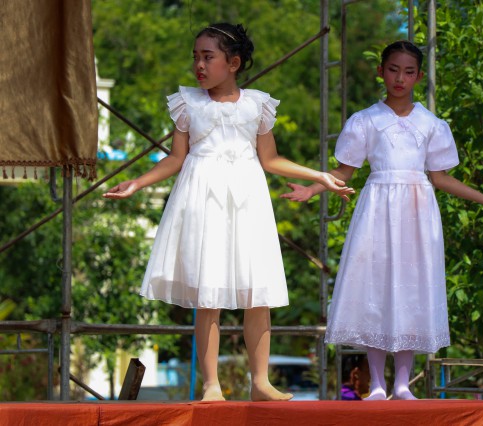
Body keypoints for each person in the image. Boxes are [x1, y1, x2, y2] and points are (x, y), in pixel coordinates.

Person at [103, 22, 354, 402]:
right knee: (209, 293)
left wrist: (318, 175)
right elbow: (175, 158)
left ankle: (260, 382)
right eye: (196, 57)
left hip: (248, 199)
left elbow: (270, 159)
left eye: (208, 57)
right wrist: (137, 182)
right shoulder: (188, 103)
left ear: (233, 63)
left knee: (258, 290)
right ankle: (211, 384)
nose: (199, 65)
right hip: (203, 199)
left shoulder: (257, 104)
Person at [282, 40, 483, 400]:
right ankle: (377, 384)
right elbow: (344, 172)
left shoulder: (431, 124)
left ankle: (402, 383)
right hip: (378, 209)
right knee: (376, 286)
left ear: (419, 76)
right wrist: (311, 188)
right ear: (380, 71)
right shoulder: (365, 120)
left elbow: (441, 177)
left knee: (412, 286)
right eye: (393, 70)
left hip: (417, 212)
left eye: (409, 72)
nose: (400, 78)